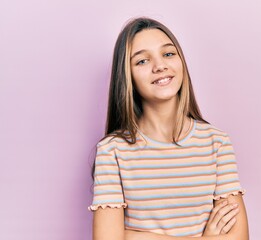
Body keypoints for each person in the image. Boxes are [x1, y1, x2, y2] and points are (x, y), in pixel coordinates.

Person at [88, 17, 249, 240]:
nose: (160, 66)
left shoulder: (216, 142)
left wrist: (135, 236)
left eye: (168, 54)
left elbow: (238, 237)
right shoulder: (112, 151)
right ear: (127, 76)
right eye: (142, 61)